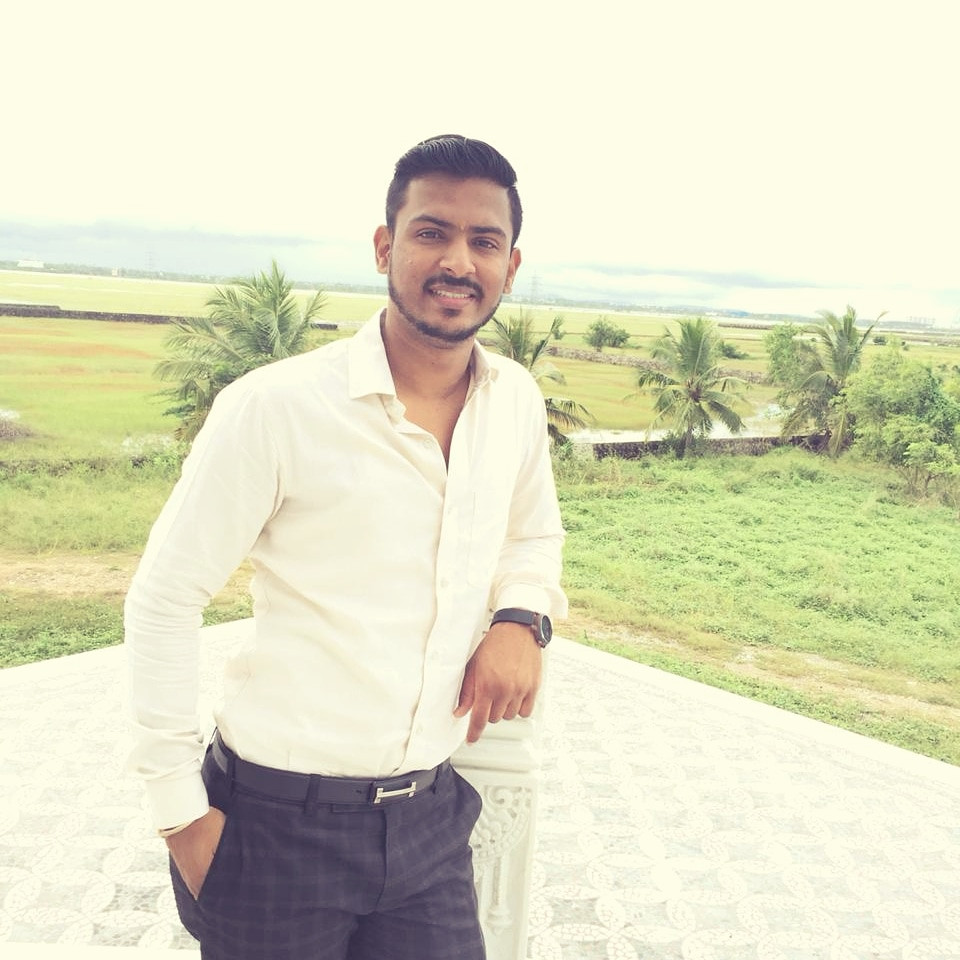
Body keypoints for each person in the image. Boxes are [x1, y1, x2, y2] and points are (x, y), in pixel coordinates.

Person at [125, 134, 567, 960]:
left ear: (510, 266)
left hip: (429, 819)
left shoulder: (514, 400)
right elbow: (164, 597)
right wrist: (180, 814)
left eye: (484, 241)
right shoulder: (278, 407)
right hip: (274, 828)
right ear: (384, 246)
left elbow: (533, 532)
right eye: (432, 232)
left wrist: (520, 617)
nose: (458, 261)